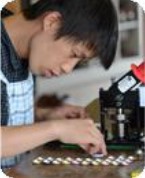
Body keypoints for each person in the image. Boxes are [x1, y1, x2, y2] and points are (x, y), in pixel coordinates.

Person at [0, 0, 118, 168]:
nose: (68, 68)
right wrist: (56, 129)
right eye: (74, 53)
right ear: (52, 23)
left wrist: (43, 115)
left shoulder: (26, 50)